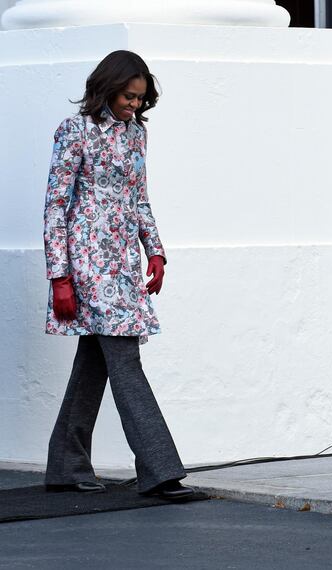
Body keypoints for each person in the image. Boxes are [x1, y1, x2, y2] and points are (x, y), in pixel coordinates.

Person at [42, 50, 193, 500]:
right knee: (125, 358)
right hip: (87, 265)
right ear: (108, 87)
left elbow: (138, 198)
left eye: (141, 99)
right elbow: (54, 205)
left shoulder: (135, 135)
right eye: (129, 97)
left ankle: (66, 467)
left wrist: (156, 252)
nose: (135, 105)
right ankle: (160, 470)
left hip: (122, 263)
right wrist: (60, 275)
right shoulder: (74, 131)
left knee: (95, 361)